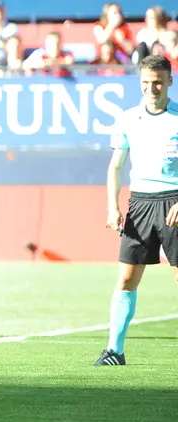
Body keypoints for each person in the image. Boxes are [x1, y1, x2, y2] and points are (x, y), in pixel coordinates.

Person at [97, 54, 176, 366]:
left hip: (174, 202)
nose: (151, 88)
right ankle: (114, 351)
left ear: (170, 81)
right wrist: (111, 207)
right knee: (127, 278)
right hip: (140, 204)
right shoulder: (128, 118)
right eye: (145, 82)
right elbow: (115, 165)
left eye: (157, 82)